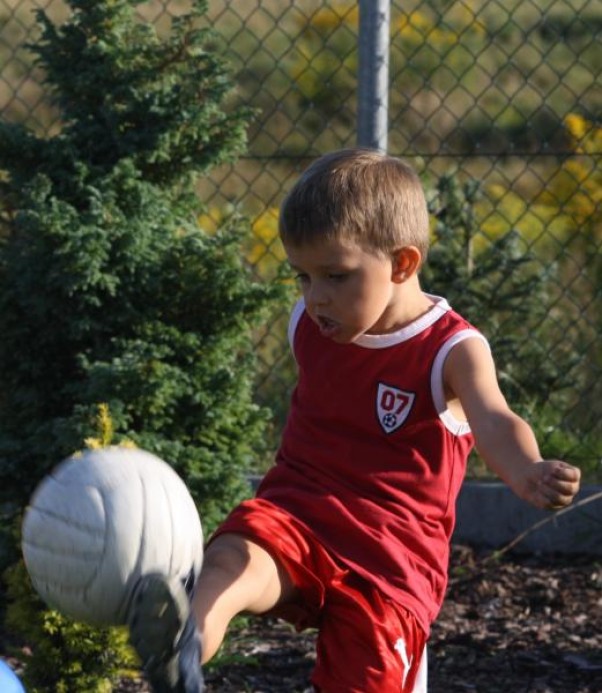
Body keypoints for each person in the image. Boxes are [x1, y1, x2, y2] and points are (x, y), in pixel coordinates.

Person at [127, 148, 582, 693]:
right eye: (302, 277)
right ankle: (185, 648)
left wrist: (527, 468)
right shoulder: (312, 323)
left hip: (389, 567)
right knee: (232, 556)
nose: (315, 297)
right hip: (300, 513)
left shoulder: (449, 349)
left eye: (335, 276)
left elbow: (494, 419)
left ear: (402, 264)